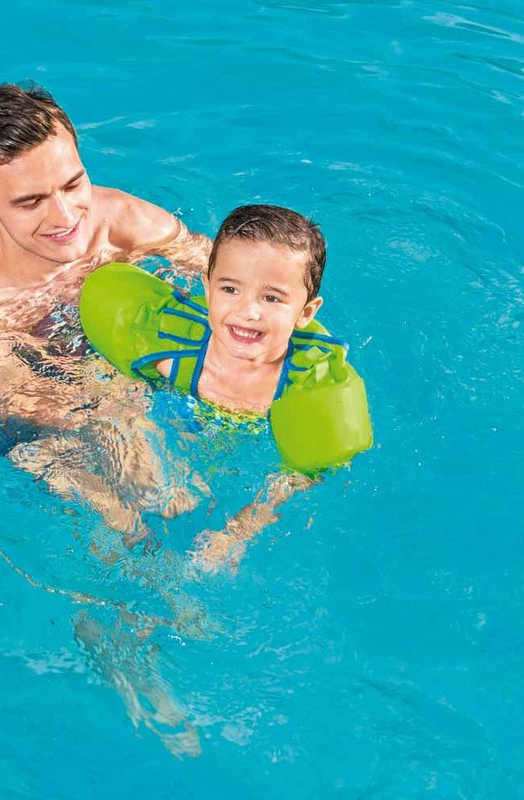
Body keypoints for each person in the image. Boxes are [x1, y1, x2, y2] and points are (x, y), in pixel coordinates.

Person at [80, 204, 373, 570]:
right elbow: (109, 386)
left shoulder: (308, 389)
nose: (248, 311)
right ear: (207, 288)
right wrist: (137, 452)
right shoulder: (168, 348)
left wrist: (237, 532)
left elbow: (299, 476)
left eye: (271, 297)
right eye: (230, 289)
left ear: (306, 313)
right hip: (170, 433)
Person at [0, 82, 209, 430]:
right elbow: (17, 400)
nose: (65, 218)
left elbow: (228, 274)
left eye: (72, 185)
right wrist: (120, 401)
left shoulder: (127, 221)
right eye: (31, 202)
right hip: (30, 382)